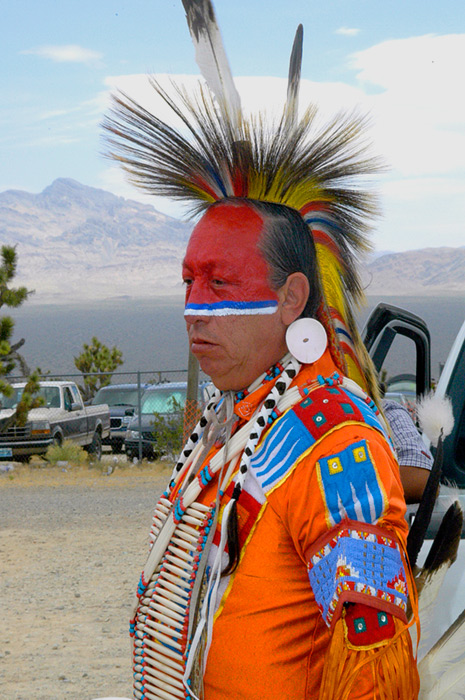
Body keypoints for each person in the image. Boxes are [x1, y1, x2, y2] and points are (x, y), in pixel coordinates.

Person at [103, 3, 419, 698]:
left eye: (221, 282)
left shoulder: (339, 448)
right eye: (188, 281)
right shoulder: (237, 420)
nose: (194, 308)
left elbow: (375, 671)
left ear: (289, 298)